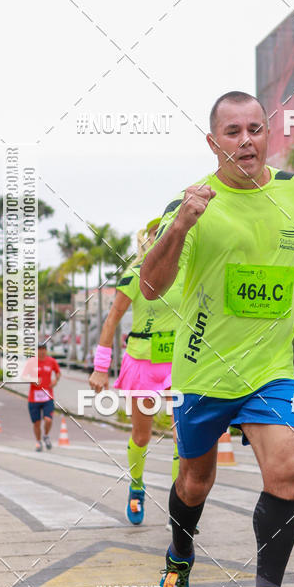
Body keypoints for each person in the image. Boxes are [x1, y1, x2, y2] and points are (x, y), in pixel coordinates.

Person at [140, 90, 294, 587]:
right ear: (214, 143)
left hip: (270, 371)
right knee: (195, 482)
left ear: (268, 134)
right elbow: (151, 286)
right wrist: (180, 226)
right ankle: (179, 556)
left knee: (288, 467)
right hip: (203, 372)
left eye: (255, 128)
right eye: (233, 132)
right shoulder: (192, 204)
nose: (246, 141)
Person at [90, 217, 185, 526]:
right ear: (148, 239)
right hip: (142, 362)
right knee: (141, 436)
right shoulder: (136, 273)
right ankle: (136, 486)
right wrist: (100, 368)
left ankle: (180, 506)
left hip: (179, 363)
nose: (163, 235)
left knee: (182, 436)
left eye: (168, 229)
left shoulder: (187, 270)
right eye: (157, 232)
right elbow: (112, 318)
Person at [27, 343, 60, 451]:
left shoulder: (51, 361)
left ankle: (46, 436)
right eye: (39, 349)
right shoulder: (31, 362)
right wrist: (33, 380)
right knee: (37, 423)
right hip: (34, 398)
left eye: (43, 349)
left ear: (46, 350)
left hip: (47, 397)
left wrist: (55, 380)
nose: (42, 351)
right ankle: (38, 441)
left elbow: (58, 372)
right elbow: (23, 376)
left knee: (48, 419)